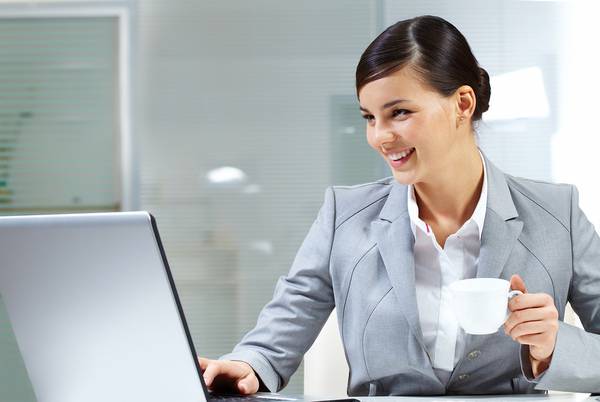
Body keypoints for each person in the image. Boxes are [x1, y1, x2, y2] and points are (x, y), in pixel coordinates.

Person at [199, 15, 600, 396]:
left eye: (400, 113)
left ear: (462, 104)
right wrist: (248, 364)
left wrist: (552, 346)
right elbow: (287, 320)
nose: (380, 136)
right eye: (370, 117)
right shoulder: (345, 215)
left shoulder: (557, 214)